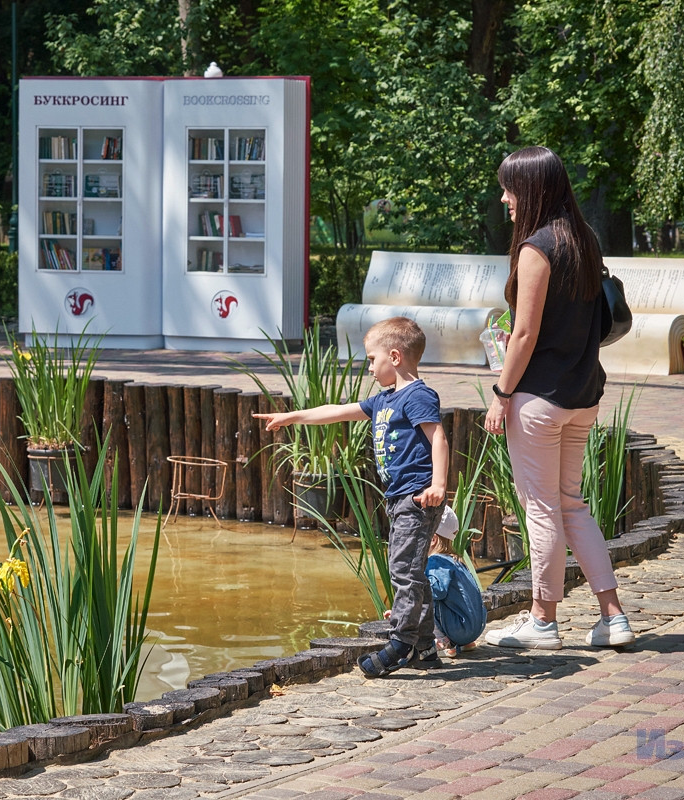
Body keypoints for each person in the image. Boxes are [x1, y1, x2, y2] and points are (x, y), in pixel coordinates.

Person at [481, 146, 635, 650]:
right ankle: (613, 617)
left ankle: (542, 621)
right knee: (572, 505)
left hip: (539, 399)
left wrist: (501, 392)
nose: (504, 197)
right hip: (582, 394)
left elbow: (524, 335)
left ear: (530, 190)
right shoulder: (583, 240)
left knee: (542, 508)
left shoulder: (536, 248)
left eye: (508, 188)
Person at [255, 316, 449, 676]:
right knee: (413, 572)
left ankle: (401, 643)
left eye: (372, 360)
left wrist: (438, 484)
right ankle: (424, 647)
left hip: (418, 497)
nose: (370, 368)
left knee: (404, 571)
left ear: (394, 356)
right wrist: (293, 416)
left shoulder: (418, 395)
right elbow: (336, 412)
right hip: (399, 498)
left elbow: (438, 437)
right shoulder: (384, 399)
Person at [428, 507, 487, 656]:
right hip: (475, 628)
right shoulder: (456, 560)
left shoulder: (436, 561)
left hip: (459, 630)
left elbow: (436, 591)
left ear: (433, 539)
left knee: (425, 591)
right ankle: (466, 642)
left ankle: (443, 640)